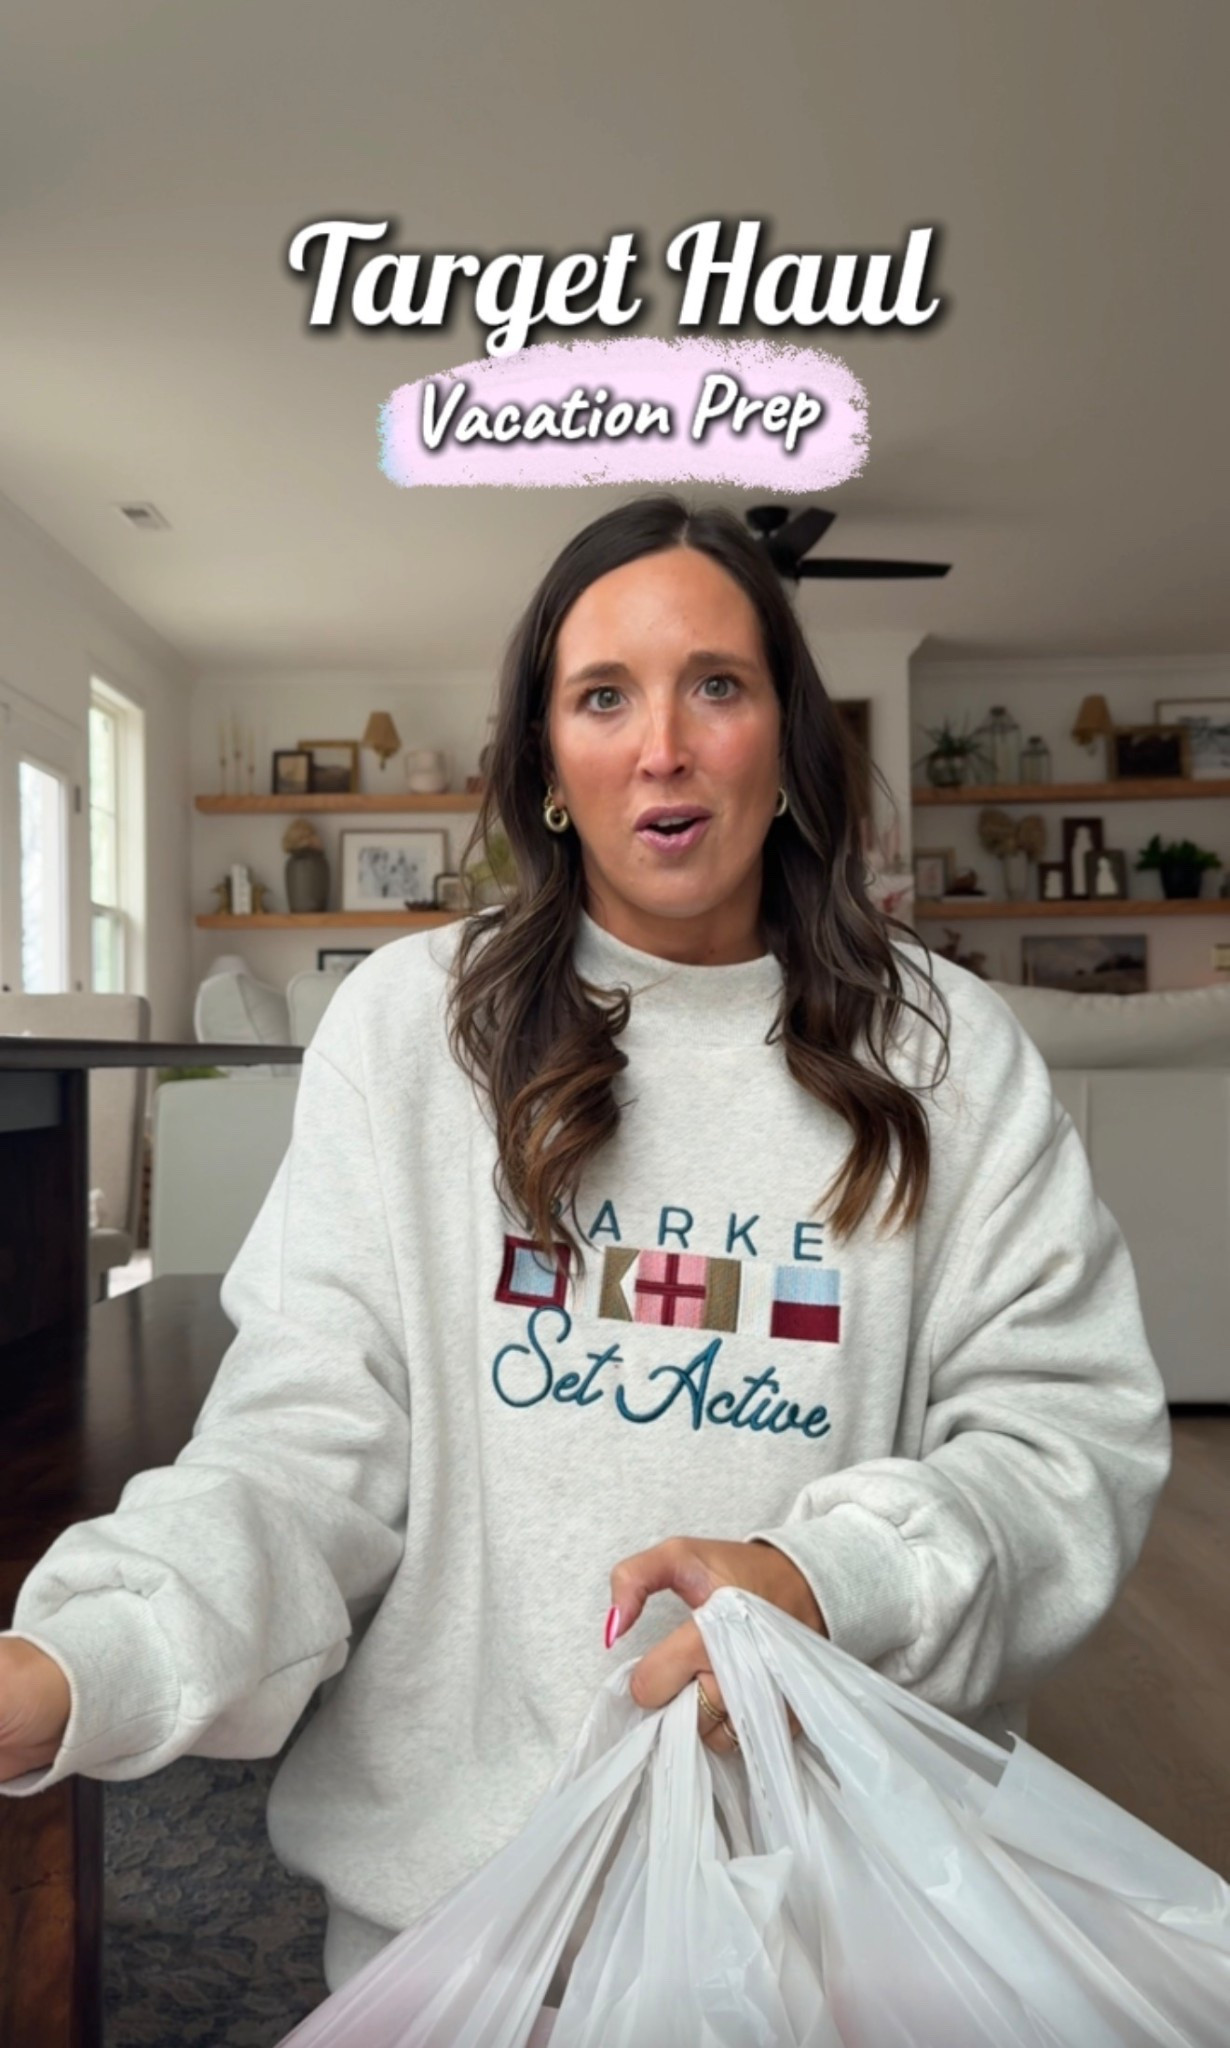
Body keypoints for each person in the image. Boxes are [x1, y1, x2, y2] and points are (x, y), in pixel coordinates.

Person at [0, 496, 1170, 2000]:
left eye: (716, 685)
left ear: (787, 739)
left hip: (841, 1923)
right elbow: (302, 1453)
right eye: (602, 696)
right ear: (545, 764)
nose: (661, 746)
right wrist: (79, 1659)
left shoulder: (952, 1054)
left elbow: (1065, 1443)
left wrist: (834, 1581)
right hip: (461, 1933)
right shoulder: (412, 1032)